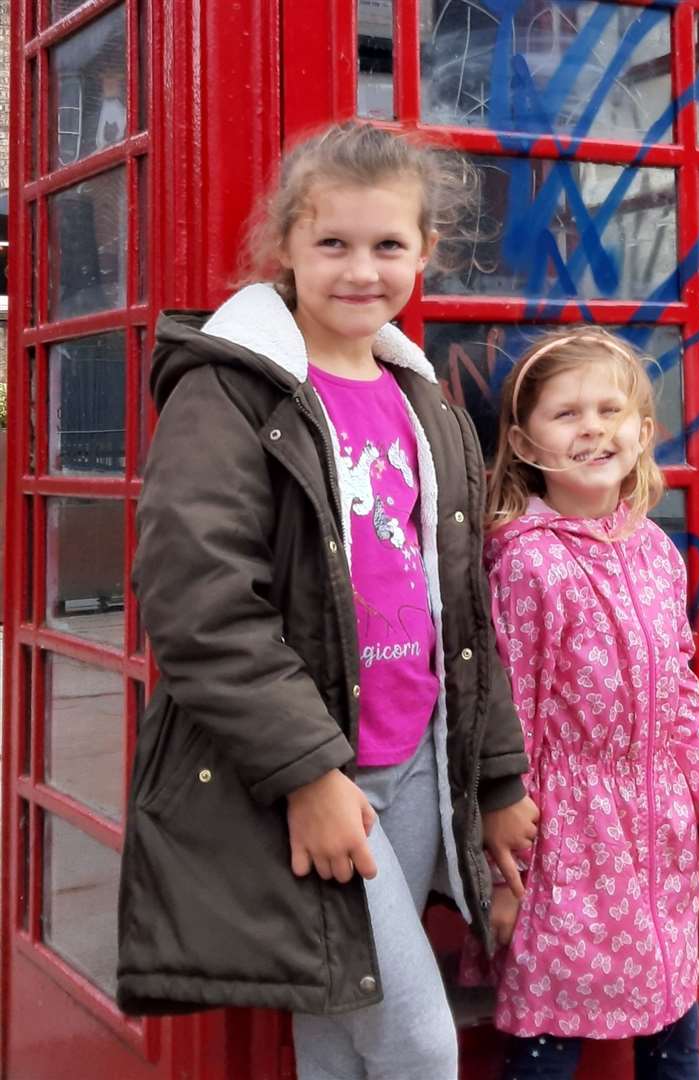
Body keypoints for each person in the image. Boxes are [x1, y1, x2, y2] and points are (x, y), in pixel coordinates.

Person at [117, 121, 540, 1080]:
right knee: (420, 1045)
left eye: (388, 245)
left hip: (419, 761)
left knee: (338, 1025)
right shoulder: (231, 391)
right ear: (287, 249)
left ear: (426, 251)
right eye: (333, 244)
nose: (362, 270)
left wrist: (499, 779)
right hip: (313, 770)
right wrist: (308, 775)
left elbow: (464, 609)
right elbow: (200, 599)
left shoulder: (420, 397)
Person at [477, 328, 699, 1079]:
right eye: (566, 414)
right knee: (547, 1022)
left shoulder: (654, 551)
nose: (592, 427)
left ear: (642, 434)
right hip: (564, 835)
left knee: (672, 1012)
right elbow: (511, 718)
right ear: (524, 443)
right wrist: (503, 870)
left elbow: (679, 691)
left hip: (658, 828)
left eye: (609, 410)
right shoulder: (529, 562)